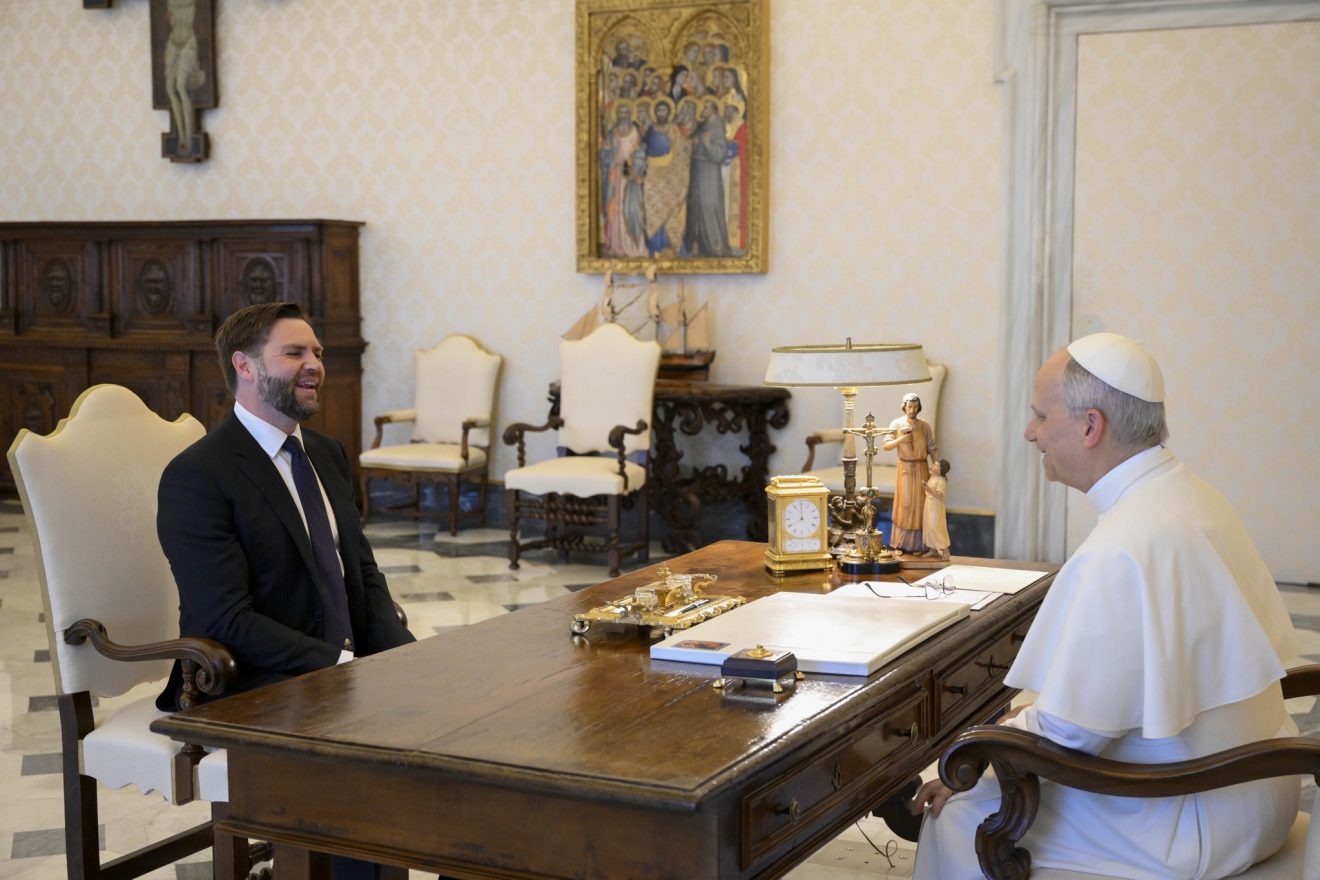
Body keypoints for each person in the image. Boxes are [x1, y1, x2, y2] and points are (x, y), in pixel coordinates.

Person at [910, 333, 1300, 879]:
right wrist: (1030, 719)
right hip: (1262, 784)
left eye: (1040, 416)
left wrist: (979, 759)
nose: (1029, 433)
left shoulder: (1122, 547)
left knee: (959, 813)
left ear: (1091, 426)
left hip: (1192, 814)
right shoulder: (1189, 494)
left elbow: (1073, 735)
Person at [156, 302, 415, 711]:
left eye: (318, 354)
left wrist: (409, 658)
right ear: (245, 366)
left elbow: (363, 575)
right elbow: (225, 619)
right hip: (254, 686)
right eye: (295, 353)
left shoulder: (327, 453)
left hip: (343, 678)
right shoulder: (198, 475)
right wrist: (340, 667)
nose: (315, 365)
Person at [883, 393, 936, 553]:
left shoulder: (925, 426)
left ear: (919, 408)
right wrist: (901, 440)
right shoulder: (897, 423)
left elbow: (932, 448)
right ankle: (899, 544)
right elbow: (886, 445)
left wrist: (937, 468)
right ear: (904, 407)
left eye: (915, 407)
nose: (912, 410)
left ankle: (919, 545)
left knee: (920, 505)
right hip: (905, 467)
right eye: (910, 407)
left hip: (921, 467)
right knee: (905, 505)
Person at [921, 458, 950, 560]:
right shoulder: (934, 476)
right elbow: (930, 470)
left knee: (935, 527)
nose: (934, 466)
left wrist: (927, 488)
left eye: (937, 466)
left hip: (936, 505)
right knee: (928, 526)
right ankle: (933, 549)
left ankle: (945, 550)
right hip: (928, 503)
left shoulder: (941, 481)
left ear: (941, 469)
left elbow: (940, 495)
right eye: (935, 465)